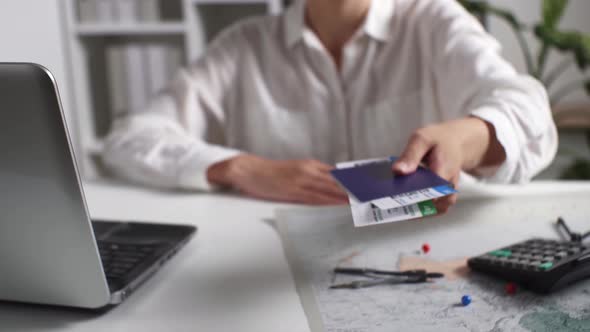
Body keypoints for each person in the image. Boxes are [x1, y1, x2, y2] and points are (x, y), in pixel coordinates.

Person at [102, 0, 557, 212]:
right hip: (270, 267)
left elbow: (528, 108)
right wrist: (238, 167)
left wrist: (467, 138)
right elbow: (129, 139)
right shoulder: (243, 47)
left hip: (425, 257)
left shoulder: (433, 21)